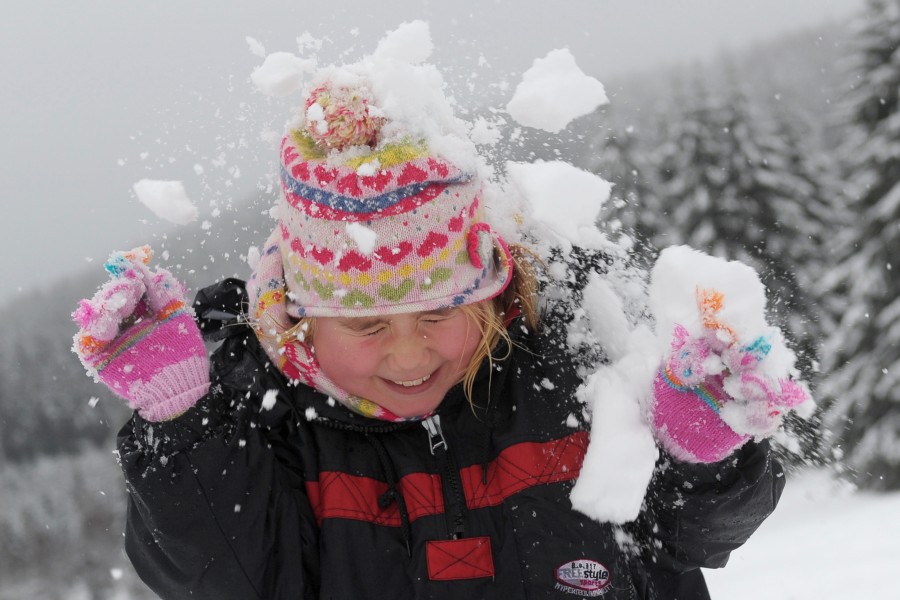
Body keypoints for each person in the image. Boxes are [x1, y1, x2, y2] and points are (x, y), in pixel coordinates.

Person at [72, 65, 802, 600]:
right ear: (302, 318)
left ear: (490, 298)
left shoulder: (566, 370)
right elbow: (217, 577)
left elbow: (697, 539)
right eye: (365, 323)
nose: (411, 352)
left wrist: (702, 454)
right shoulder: (272, 426)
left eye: (438, 313)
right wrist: (180, 419)